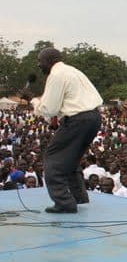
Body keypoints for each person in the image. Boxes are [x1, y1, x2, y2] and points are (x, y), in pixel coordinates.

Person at [19, 47, 103, 213]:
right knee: (71, 160)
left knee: (53, 159)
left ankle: (64, 202)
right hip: (94, 118)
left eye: (40, 61)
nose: (38, 65)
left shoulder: (56, 75)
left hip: (78, 120)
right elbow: (64, 103)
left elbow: (48, 109)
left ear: (49, 61)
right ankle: (79, 197)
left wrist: (32, 100)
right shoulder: (73, 71)